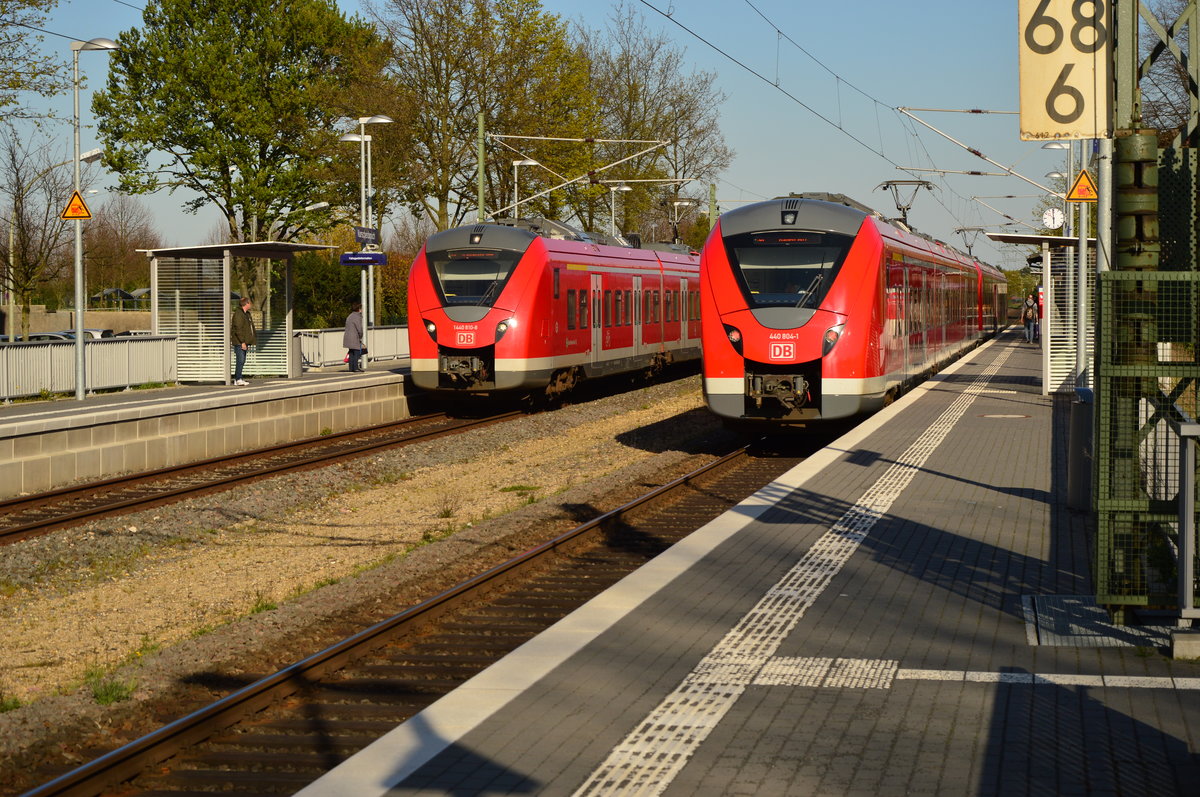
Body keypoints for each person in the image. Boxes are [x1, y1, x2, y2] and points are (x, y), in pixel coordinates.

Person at [230, 296, 256, 385]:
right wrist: (242, 342)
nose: (251, 304)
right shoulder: (238, 314)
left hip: (244, 341)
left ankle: (239, 378)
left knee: (242, 360)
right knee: (240, 360)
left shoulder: (246, 314)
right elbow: (238, 329)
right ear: (246, 303)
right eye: (250, 302)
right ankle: (238, 379)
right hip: (239, 342)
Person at [343, 302, 365, 372]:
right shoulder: (357, 316)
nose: (361, 310)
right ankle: (355, 368)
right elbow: (359, 329)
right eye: (361, 308)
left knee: (351, 352)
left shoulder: (350, 316)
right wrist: (361, 336)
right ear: (359, 309)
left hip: (348, 337)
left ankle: (351, 368)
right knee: (357, 352)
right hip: (354, 337)